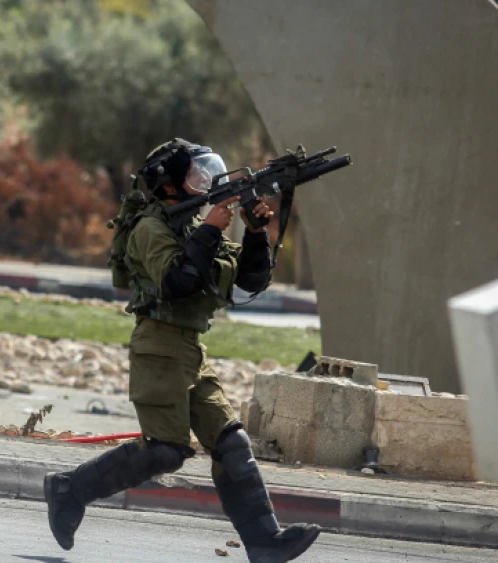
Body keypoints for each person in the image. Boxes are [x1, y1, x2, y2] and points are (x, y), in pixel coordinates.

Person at [44, 139, 321, 562]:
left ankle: (265, 542)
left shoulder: (190, 226)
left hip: (190, 348)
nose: (205, 181)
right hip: (159, 347)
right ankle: (69, 490)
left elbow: (248, 281)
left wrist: (255, 232)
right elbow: (177, 283)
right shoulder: (150, 230)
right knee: (165, 450)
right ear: (170, 186)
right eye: (195, 175)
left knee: (231, 443)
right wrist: (211, 227)